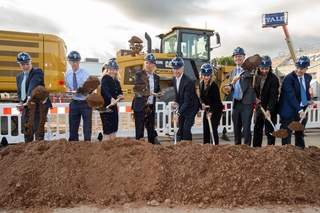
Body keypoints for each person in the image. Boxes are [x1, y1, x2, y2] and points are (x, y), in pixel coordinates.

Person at [278, 56, 313, 149]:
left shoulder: (308, 77)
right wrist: (299, 110)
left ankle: (300, 151)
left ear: (306, 69)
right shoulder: (288, 79)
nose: (298, 70)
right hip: (288, 109)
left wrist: (308, 100)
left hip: (302, 109)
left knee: (300, 131)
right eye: (297, 67)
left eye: (302, 68)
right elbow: (291, 96)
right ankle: (286, 152)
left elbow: (304, 91)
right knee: (286, 133)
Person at [16, 52, 52, 142]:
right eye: (23, 65)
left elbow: (33, 83)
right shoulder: (19, 77)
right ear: (20, 65)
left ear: (31, 63)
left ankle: (39, 151)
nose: (25, 66)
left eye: (27, 64)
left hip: (39, 106)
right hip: (27, 106)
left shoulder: (37, 72)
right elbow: (20, 91)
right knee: (27, 129)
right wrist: (21, 101)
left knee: (38, 130)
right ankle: (28, 150)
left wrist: (29, 97)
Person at [224, 47, 256, 146]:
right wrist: (230, 88)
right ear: (234, 58)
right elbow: (234, 85)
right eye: (236, 56)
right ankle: (237, 148)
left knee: (246, 128)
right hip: (236, 103)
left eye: (240, 56)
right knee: (236, 128)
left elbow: (251, 75)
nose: (238, 58)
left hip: (246, 104)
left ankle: (247, 148)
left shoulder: (249, 69)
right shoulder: (232, 71)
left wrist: (241, 76)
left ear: (244, 58)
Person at [132, 53, 163, 144]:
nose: (148, 65)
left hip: (150, 107)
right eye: (146, 63)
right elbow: (138, 86)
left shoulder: (156, 77)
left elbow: (158, 88)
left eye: (150, 63)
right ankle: (139, 150)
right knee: (139, 131)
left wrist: (159, 92)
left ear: (154, 65)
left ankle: (151, 149)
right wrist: (146, 91)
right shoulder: (138, 74)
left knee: (150, 130)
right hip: (140, 107)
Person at [65, 50, 92, 142]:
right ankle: (73, 144)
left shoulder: (85, 72)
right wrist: (68, 91)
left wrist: (80, 89)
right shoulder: (67, 74)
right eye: (73, 62)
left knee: (87, 126)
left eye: (77, 62)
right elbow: (66, 87)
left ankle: (87, 144)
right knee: (73, 125)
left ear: (79, 62)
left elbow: (86, 85)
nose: (75, 64)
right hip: (74, 103)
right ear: (69, 62)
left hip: (85, 103)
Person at [171, 57, 201, 141]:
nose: (175, 71)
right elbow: (177, 94)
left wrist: (178, 114)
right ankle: (180, 147)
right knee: (180, 129)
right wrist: (176, 102)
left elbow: (187, 101)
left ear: (182, 68)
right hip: (183, 106)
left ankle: (188, 149)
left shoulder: (189, 81)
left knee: (186, 129)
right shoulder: (174, 79)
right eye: (174, 68)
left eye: (177, 69)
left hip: (191, 107)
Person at [252, 55, 280, 147]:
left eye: (266, 69)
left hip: (270, 109)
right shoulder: (257, 77)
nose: (264, 71)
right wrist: (256, 97)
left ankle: (270, 151)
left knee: (270, 131)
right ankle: (256, 149)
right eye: (262, 69)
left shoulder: (274, 79)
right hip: (260, 108)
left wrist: (268, 110)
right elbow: (255, 89)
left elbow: (273, 96)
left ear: (270, 67)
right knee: (257, 130)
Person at [99, 59, 123, 141]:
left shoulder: (117, 81)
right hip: (106, 106)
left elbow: (119, 91)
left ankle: (113, 145)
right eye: (110, 69)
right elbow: (104, 90)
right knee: (107, 128)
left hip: (113, 107)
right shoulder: (105, 78)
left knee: (113, 126)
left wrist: (120, 95)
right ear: (107, 70)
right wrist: (111, 98)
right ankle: (106, 144)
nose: (112, 72)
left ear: (116, 70)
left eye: (114, 70)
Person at [199, 63, 223, 145]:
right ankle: (206, 147)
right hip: (207, 109)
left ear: (211, 75)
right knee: (205, 128)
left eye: (208, 75)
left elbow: (217, 102)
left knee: (213, 128)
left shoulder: (214, 86)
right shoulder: (201, 84)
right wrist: (202, 103)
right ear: (201, 75)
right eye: (204, 75)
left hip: (215, 110)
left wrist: (211, 112)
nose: (206, 77)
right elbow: (201, 97)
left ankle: (215, 147)